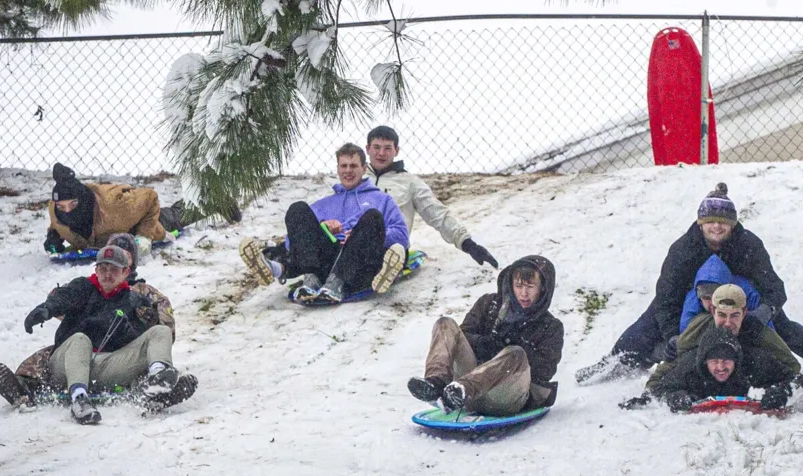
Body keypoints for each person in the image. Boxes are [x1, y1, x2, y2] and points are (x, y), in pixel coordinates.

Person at [575, 182, 803, 384]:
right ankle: (617, 360)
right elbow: (667, 297)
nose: (717, 227)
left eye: (723, 222)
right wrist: (673, 333)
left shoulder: (748, 245)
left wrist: (764, 310)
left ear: (732, 225)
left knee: (781, 327)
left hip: (740, 299)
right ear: (700, 222)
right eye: (710, 222)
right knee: (647, 324)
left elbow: (774, 288)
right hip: (693, 297)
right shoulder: (683, 250)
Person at [0, 246, 195, 424]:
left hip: (109, 366)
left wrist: (128, 333)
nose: (108, 275)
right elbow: (63, 298)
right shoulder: (83, 288)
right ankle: (79, 399)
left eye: (114, 270)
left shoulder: (135, 300)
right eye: (103, 269)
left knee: (160, 331)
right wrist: (46, 309)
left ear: (126, 272)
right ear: (96, 270)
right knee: (80, 339)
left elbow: (140, 338)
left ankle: (157, 383)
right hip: (70, 365)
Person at [238, 144, 410, 302]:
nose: (348, 171)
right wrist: (322, 227)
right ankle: (307, 278)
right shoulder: (324, 204)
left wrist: (361, 235)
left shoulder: (382, 199)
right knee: (297, 209)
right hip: (324, 261)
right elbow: (294, 240)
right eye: (344, 166)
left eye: (353, 166)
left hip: (358, 262)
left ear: (364, 168)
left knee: (372, 217)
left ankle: (350, 280)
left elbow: (402, 236)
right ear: (337, 169)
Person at [407, 256, 564, 415]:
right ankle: (435, 383)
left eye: (530, 287)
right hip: (468, 390)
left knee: (516, 353)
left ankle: (462, 389)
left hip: (505, 395)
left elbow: (544, 371)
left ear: (542, 288)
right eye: (518, 286)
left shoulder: (551, 327)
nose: (523, 293)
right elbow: (464, 333)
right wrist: (482, 343)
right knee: (445, 324)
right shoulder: (489, 304)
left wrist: (506, 354)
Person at [365, 126, 498, 268]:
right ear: (367, 149)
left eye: (387, 148)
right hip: (356, 244)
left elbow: (436, 213)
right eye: (376, 147)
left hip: (391, 247)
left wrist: (468, 244)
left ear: (396, 151)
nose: (381, 153)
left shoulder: (409, 182)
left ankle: (385, 266)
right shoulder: (355, 177)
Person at [619, 325, 803, 412]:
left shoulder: (756, 363)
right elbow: (656, 390)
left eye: (727, 361)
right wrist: (674, 397)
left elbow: (798, 380)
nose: (721, 367)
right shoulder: (689, 368)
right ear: (704, 362)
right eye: (714, 361)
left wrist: (783, 392)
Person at [661, 283, 800, 379]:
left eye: (734, 315)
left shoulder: (757, 331)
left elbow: (792, 366)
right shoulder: (699, 327)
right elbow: (675, 360)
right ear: (713, 311)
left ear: (744, 312)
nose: (728, 323)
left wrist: (779, 391)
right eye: (722, 315)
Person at [43, 162, 178, 254]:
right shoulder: (55, 211)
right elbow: (56, 224)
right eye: (61, 207)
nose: (67, 212)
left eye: (73, 204)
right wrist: (53, 236)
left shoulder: (116, 206)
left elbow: (150, 197)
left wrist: (144, 235)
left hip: (145, 220)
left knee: (180, 214)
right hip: (109, 236)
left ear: (82, 201)